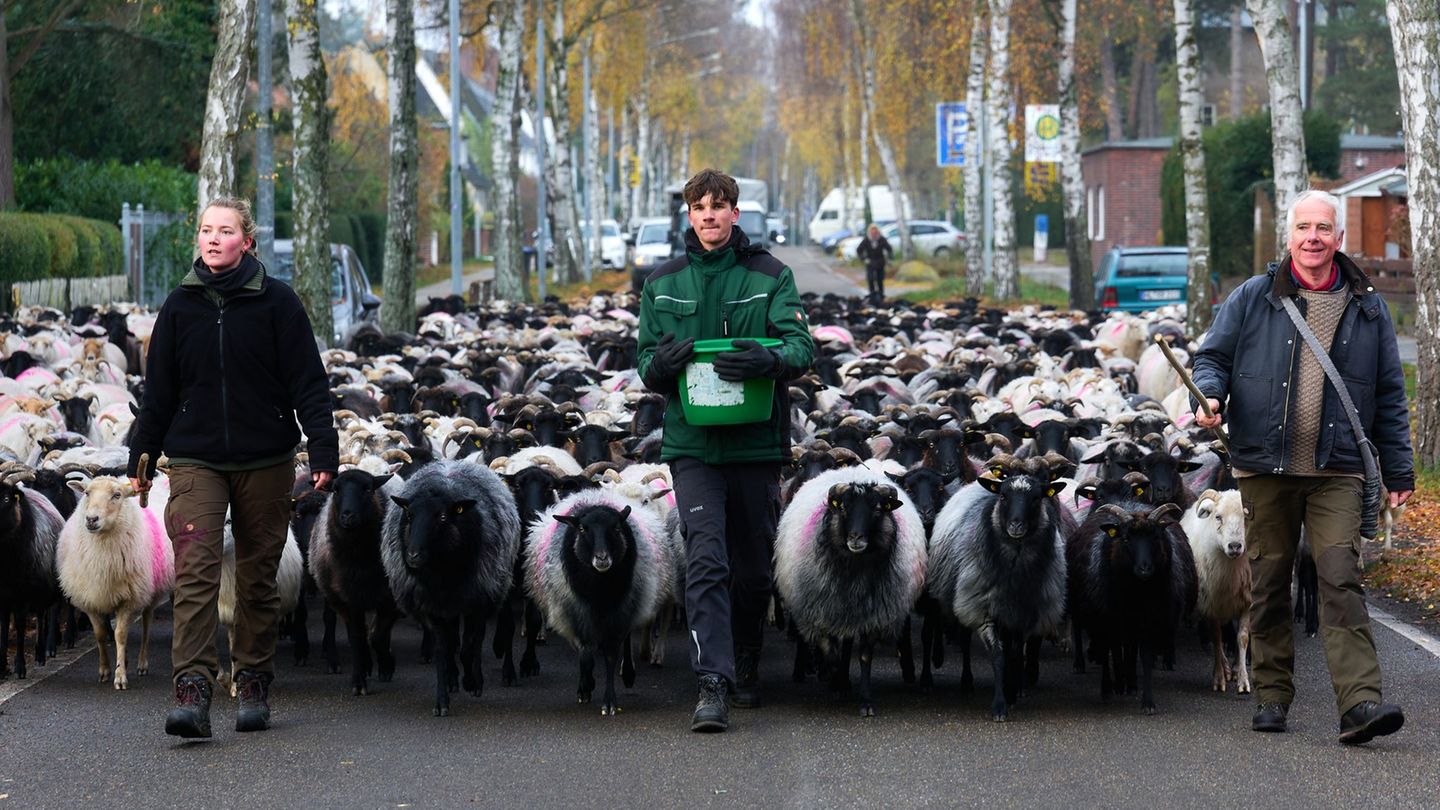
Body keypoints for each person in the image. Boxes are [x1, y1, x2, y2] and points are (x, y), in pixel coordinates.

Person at [1191, 189, 1414, 745]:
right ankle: (1271, 695)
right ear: (1288, 237)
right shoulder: (1253, 297)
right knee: (1268, 583)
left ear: (1340, 238)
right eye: (1303, 228)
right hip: (1264, 468)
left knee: (1339, 576)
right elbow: (1213, 358)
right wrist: (1211, 395)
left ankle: (1359, 704)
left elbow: (1390, 392)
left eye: (1323, 228)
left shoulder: (1368, 308)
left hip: (1338, 469)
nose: (1313, 238)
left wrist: (1399, 470)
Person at [128, 197, 338, 739]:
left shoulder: (278, 302)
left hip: (265, 458)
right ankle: (192, 691)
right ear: (197, 239)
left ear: (247, 241)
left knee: (257, 576)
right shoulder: (180, 307)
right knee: (195, 572)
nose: (214, 239)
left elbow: (308, 381)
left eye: (225, 231)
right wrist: (141, 455)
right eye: (206, 230)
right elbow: (159, 391)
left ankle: (252, 682)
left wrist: (323, 448)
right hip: (195, 458)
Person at [636, 169, 815, 732]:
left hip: (755, 444)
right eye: (699, 207)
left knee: (754, 569)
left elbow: (801, 346)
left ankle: (747, 653)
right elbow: (645, 361)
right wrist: (661, 366)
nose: (709, 215)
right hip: (693, 444)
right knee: (706, 560)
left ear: (735, 213)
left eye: (718, 206)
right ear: (689, 215)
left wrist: (771, 360)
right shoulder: (662, 283)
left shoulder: (770, 275)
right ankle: (712, 681)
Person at [855, 223, 893, 304]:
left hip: (880, 261)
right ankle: (872, 296)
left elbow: (889, 249)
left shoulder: (882, 239)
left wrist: (889, 259)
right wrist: (864, 259)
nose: (874, 233)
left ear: (878, 232)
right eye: (872, 232)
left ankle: (881, 296)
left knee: (880, 280)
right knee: (870, 279)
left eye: (875, 232)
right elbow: (859, 250)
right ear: (870, 232)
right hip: (870, 262)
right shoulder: (866, 240)